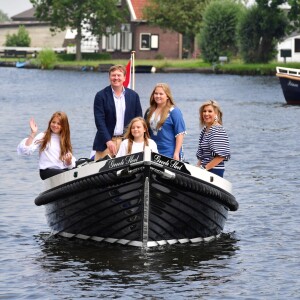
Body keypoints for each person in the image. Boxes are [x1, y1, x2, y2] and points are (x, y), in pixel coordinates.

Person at [93, 64, 143, 160]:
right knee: (102, 172)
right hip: (106, 143)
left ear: (124, 77)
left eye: (119, 75)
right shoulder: (101, 96)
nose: (116, 78)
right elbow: (99, 121)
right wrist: (108, 140)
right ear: (109, 77)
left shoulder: (134, 96)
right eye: (113, 75)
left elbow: (139, 119)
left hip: (127, 141)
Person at [17, 111, 76, 180]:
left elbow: (69, 166)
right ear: (50, 122)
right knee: (68, 175)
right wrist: (33, 133)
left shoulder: (64, 140)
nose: (55, 125)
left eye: (59, 124)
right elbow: (26, 151)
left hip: (61, 169)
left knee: (80, 165)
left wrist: (68, 162)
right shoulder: (43, 136)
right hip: (47, 171)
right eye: (53, 122)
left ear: (63, 126)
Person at [145, 83, 186, 160]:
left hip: (169, 152)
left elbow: (180, 134)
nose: (158, 96)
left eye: (161, 94)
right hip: (153, 152)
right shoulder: (149, 111)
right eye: (156, 93)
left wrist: (176, 153)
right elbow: (145, 132)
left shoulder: (174, 111)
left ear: (167, 96)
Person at [196, 100, 230, 177]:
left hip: (214, 170)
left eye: (210, 111)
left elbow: (221, 156)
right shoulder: (205, 130)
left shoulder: (217, 129)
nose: (206, 114)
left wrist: (205, 168)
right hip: (204, 170)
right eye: (204, 111)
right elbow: (202, 155)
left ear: (216, 114)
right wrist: (197, 168)